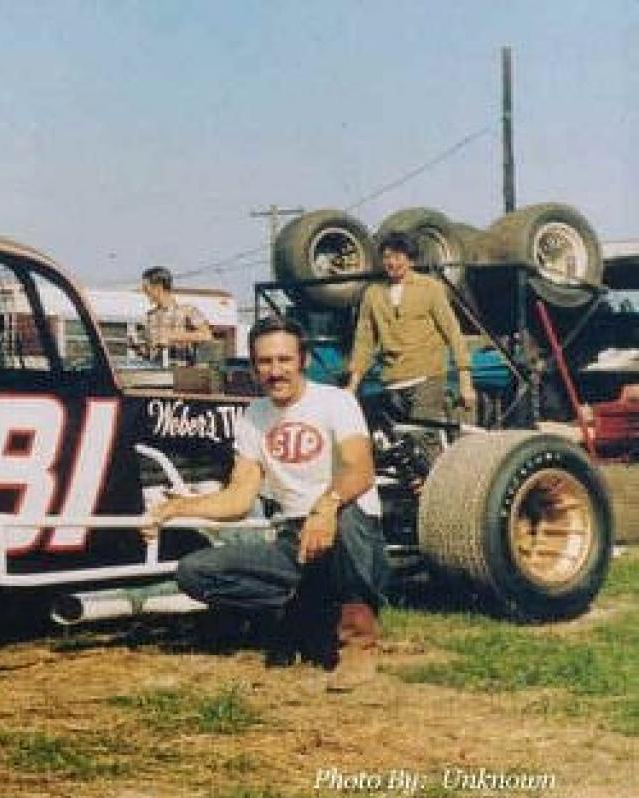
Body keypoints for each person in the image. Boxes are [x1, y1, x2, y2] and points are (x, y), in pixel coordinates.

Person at [144, 316, 390, 691]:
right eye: (265, 362)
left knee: (348, 518)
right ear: (254, 366)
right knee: (195, 572)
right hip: (295, 542)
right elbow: (238, 498)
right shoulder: (254, 415)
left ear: (303, 360)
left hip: (350, 534)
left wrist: (326, 506)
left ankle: (358, 645)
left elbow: (361, 470)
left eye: (284, 360)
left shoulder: (336, 401)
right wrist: (175, 509)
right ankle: (304, 614)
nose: (275, 371)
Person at [346, 231, 476, 421]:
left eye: (398, 257)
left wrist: (465, 382)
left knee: (421, 432)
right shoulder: (373, 293)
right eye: (387, 257)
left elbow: (453, 332)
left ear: (411, 260)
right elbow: (364, 341)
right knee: (397, 435)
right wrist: (352, 386)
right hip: (392, 380)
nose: (392, 263)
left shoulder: (430, 287)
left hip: (427, 377)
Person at [138, 266, 212, 365]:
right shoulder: (150, 316)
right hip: (156, 370)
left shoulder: (188, 310)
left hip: (181, 371)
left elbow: (206, 335)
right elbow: (148, 353)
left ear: (158, 287)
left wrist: (171, 336)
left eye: (146, 287)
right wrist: (137, 348)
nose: (144, 291)